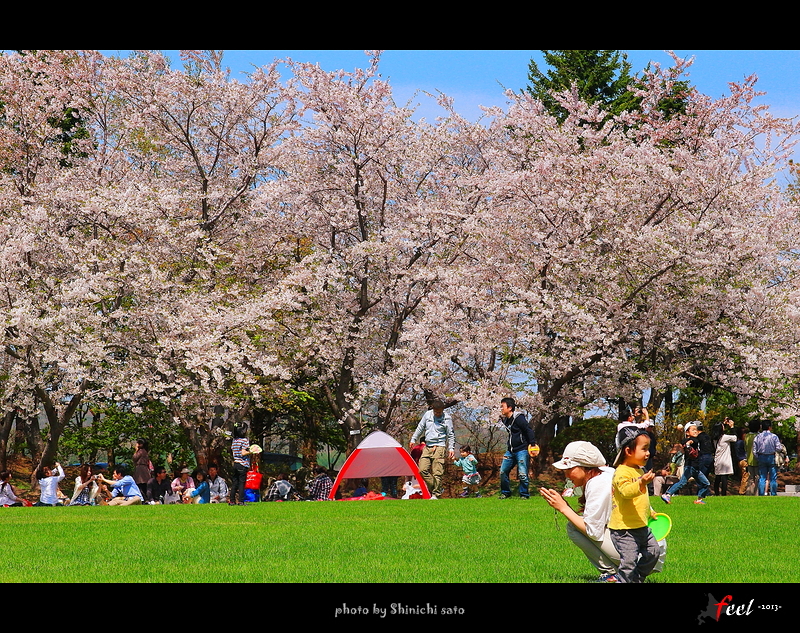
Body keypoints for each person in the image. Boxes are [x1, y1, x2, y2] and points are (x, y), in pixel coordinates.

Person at [540, 441, 621, 582]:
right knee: (577, 523)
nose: (566, 475)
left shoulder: (598, 483)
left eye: (569, 468)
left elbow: (593, 532)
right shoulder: (606, 474)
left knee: (573, 527)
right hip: (645, 548)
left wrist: (563, 507)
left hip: (640, 553)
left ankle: (613, 574)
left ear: (585, 466)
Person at [608, 427, 660, 584]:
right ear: (628, 451)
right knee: (629, 561)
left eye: (648, 448)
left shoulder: (639, 470)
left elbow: (642, 498)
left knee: (653, 552)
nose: (648, 453)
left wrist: (649, 511)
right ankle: (624, 580)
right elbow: (626, 492)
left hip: (641, 525)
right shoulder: (621, 472)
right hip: (624, 530)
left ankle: (636, 578)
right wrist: (642, 482)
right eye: (644, 449)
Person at [410, 399, 455, 499]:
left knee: (437, 472)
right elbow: (420, 427)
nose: (438, 414)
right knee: (422, 470)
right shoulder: (427, 415)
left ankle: (435, 494)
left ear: (443, 410)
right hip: (428, 445)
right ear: (433, 410)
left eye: (439, 412)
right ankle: (437, 488)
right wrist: (413, 439)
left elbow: (451, 434)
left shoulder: (447, 418)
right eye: (436, 412)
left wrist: (451, 448)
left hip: (440, 446)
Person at [661, 423, 711, 505]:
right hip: (690, 467)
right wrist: (688, 444)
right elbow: (691, 441)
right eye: (693, 429)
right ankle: (667, 494)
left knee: (705, 483)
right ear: (687, 432)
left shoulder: (690, 440)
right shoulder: (694, 440)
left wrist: (686, 442)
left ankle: (699, 500)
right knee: (682, 482)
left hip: (696, 468)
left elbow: (686, 441)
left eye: (696, 429)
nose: (695, 431)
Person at [498, 397, 536, 499]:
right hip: (510, 451)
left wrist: (532, 444)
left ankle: (524, 494)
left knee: (523, 473)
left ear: (510, 408)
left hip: (522, 450)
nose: (501, 408)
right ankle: (505, 492)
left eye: (502, 406)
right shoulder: (506, 420)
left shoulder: (519, 418)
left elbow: (528, 430)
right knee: (503, 471)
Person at [753, 420, 781, 496]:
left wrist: (757, 458)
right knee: (773, 477)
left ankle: (761, 494)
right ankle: (773, 493)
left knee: (762, 477)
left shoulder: (757, 437)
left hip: (761, 456)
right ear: (770, 427)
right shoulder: (774, 436)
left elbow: (754, 450)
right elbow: (779, 448)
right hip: (771, 456)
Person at [711, 417, 736, 496]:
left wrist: (724, 423)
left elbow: (718, 429)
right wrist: (732, 427)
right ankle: (723, 494)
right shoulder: (724, 437)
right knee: (724, 478)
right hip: (725, 460)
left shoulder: (714, 438)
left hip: (718, 460)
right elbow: (735, 438)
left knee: (717, 478)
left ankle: (717, 494)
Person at [230, 424, 251, 505]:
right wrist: (251, 451)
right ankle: (241, 501)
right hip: (242, 464)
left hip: (235, 463)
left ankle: (232, 500)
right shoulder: (244, 440)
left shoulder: (234, 440)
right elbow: (243, 452)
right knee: (241, 483)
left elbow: (234, 452)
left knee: (235, 483)